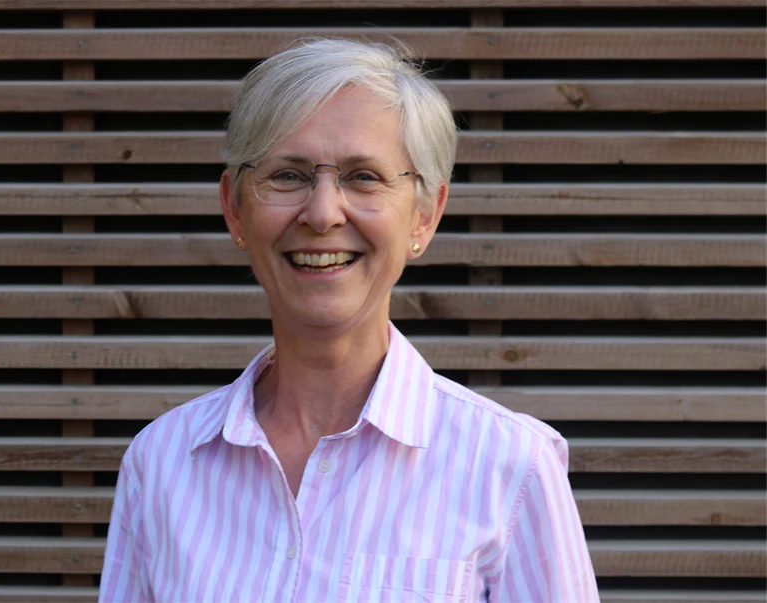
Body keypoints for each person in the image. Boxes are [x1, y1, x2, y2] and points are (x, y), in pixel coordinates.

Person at [99, 38, 598, 603]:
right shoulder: (160, 463)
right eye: (288, 176)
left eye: (363, 176)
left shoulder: (511, 468)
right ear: (235, 208)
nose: (322, 213)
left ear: (426, 214)